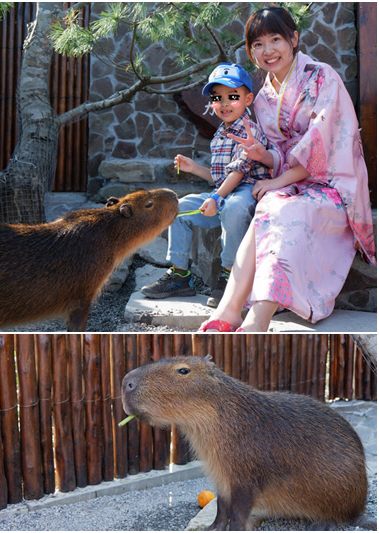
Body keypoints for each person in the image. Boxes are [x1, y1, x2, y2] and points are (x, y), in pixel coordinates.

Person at [200, 6, 376, 332]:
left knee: (288, 213)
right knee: (268, 205)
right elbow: (279, 152)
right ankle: (228, 310)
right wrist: (262, 155)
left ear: (294, 39)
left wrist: (279, 178)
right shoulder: (264, 94)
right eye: (257, 44)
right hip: (293, 181)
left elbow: (324, 144)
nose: (267, 51)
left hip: (333, 183)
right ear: (250, 51)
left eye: (275, 39)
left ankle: (259, 316)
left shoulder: (322, 77)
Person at [142, 63, 277, 307]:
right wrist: (195, 169)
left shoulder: (250, 131)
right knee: (180, 208)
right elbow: (221, 178)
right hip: (224, 193)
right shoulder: (219, 135)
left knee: (234, 207)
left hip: (245, 194)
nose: (224, 103)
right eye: (217, 98)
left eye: (232, 97)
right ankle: (181, 276)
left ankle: (229, 277)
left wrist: (216, 198)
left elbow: (238, 172)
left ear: (248, 99)